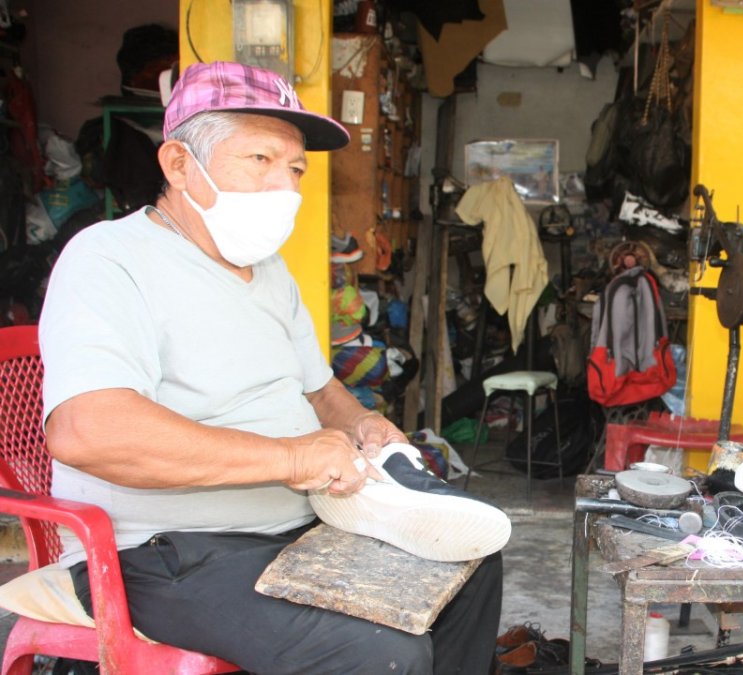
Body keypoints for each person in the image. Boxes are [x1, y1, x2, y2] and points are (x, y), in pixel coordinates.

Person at [37, 61, 502, 674]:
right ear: (179, 166)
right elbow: (87, 430)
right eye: (260, 160)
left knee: (471, 570)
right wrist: (291, 458)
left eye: (296, 168)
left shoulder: (269, 272)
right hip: (157, 553)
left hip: (296, 528)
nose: (286, 187)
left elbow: (318, 389)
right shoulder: (108, 260)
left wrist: (360, 424)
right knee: (381, 652)